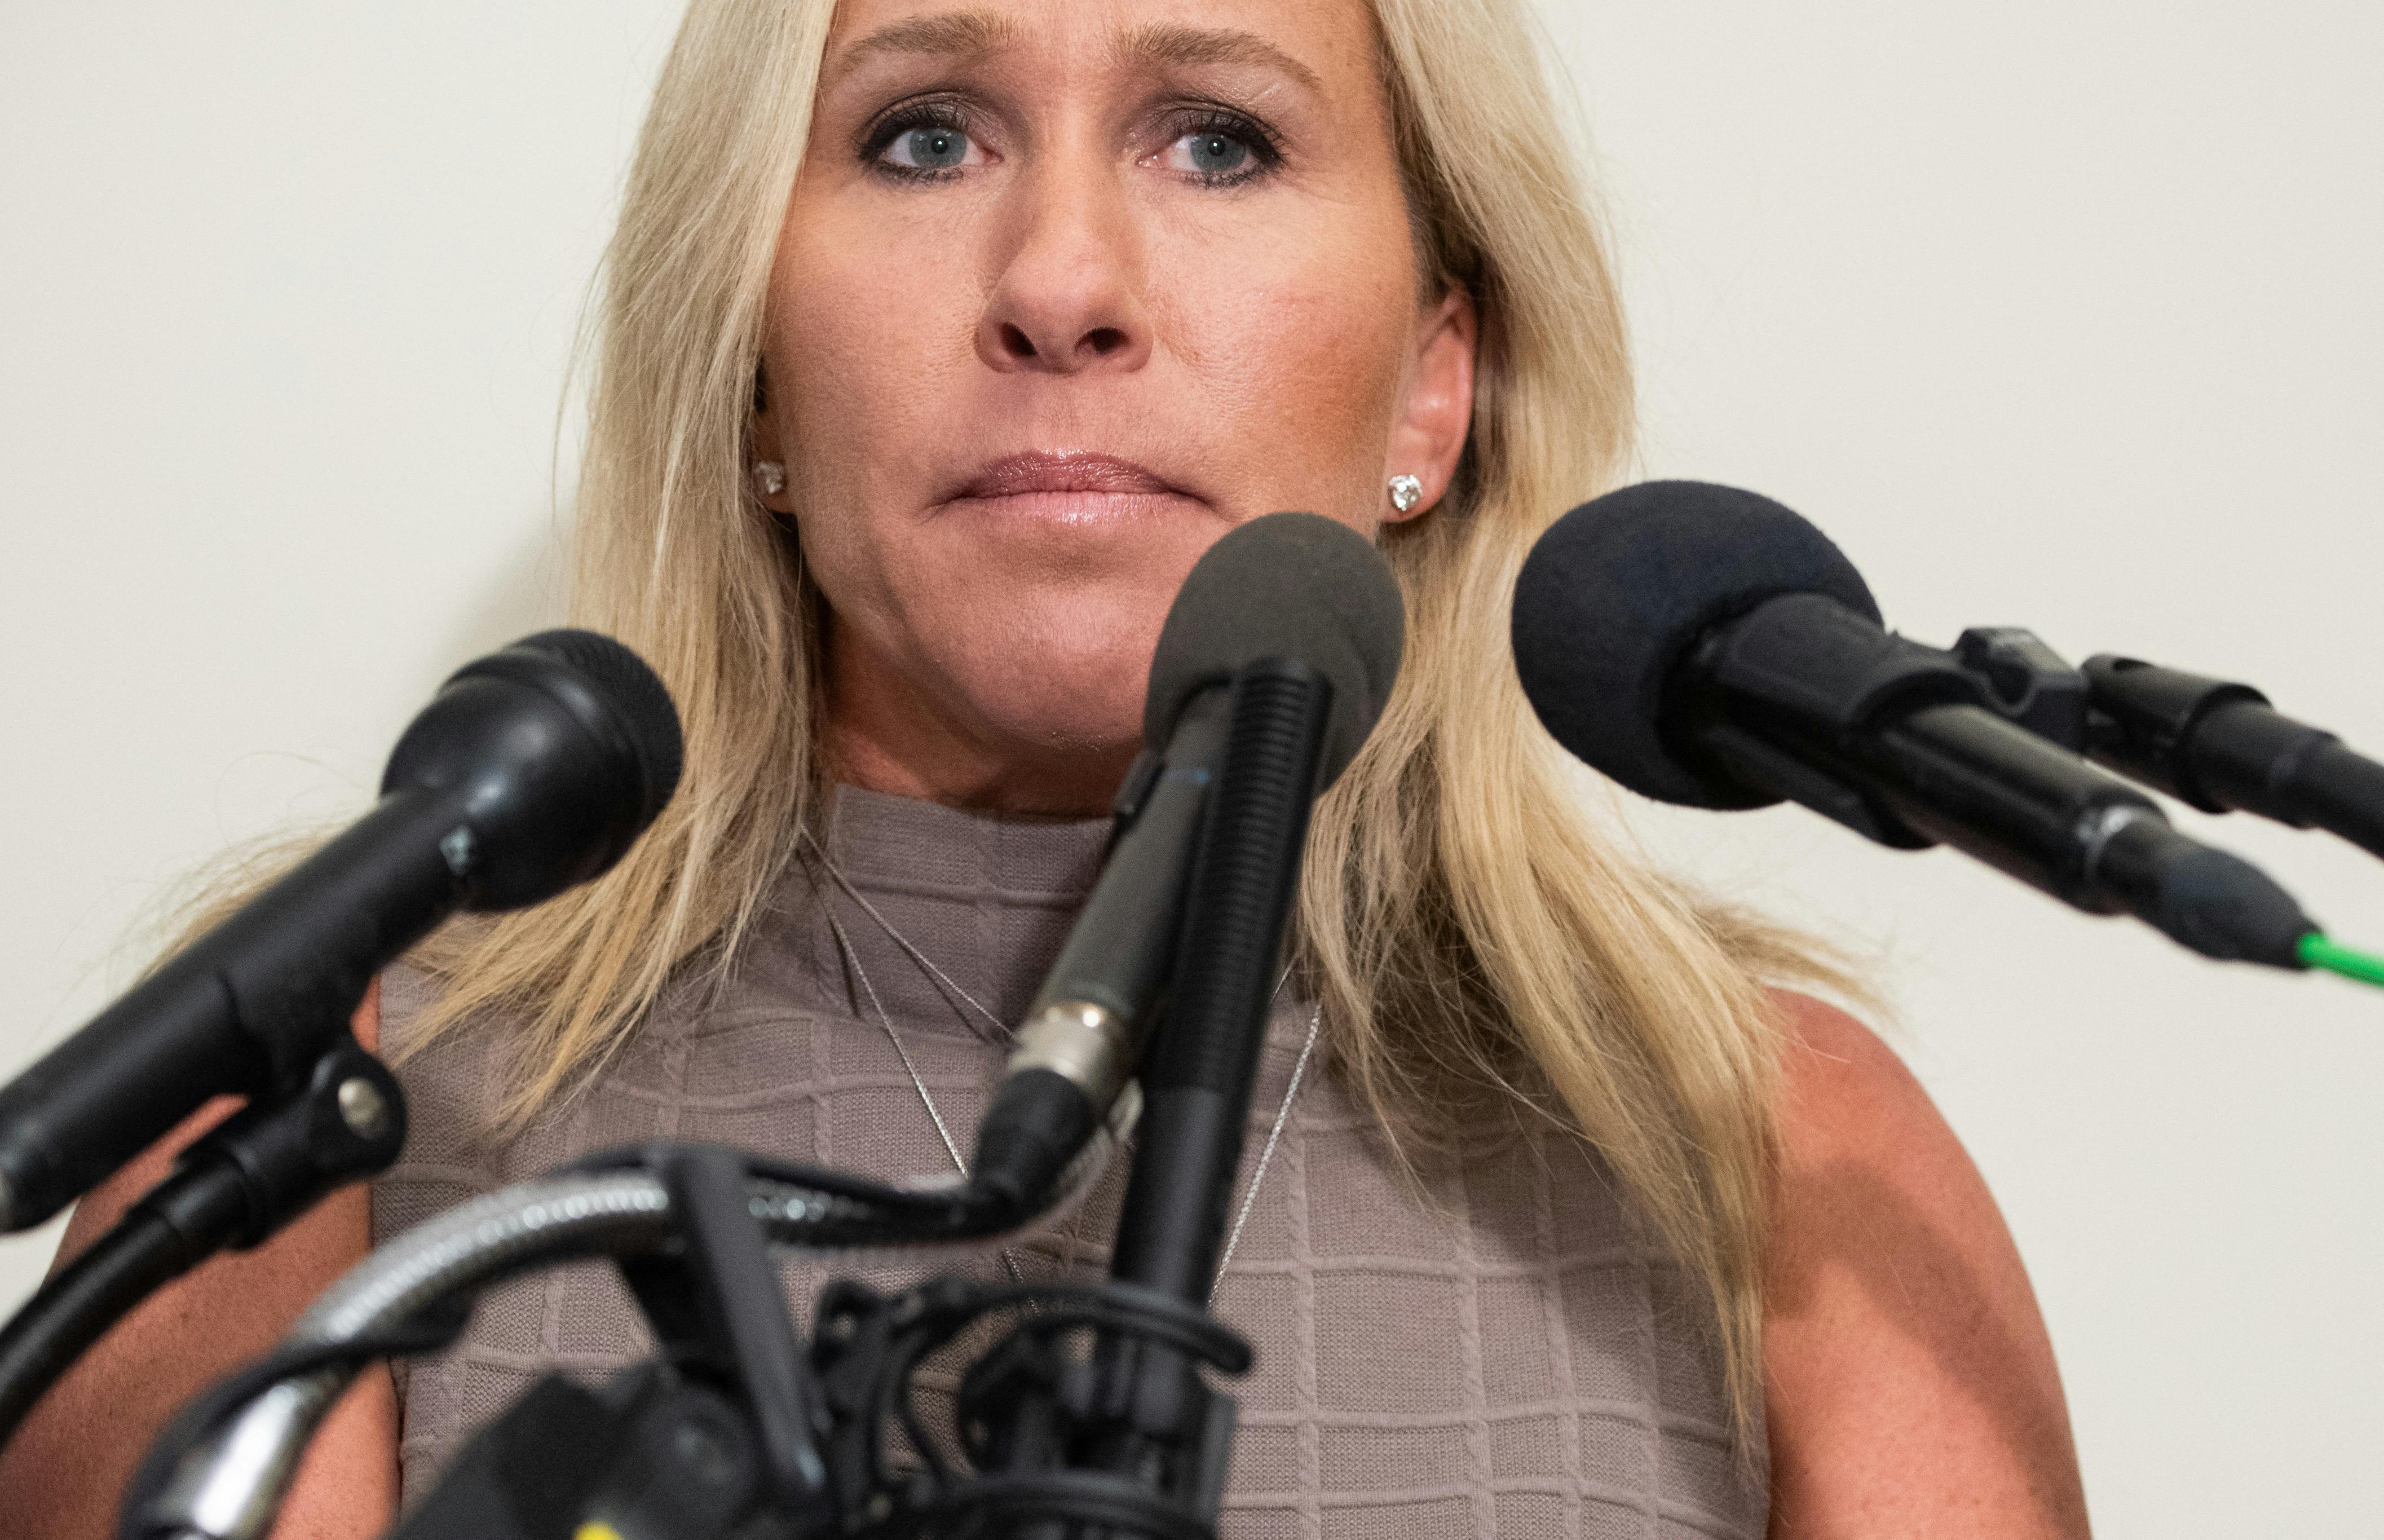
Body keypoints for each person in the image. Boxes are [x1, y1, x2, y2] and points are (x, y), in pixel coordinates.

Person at [0, 0, 2094, 1534]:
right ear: (748, 360)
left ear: (1433, 387)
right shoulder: (321, 1110)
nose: (1062, 284)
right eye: (922, 135)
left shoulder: (1775, 1153)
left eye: (1217, 139)